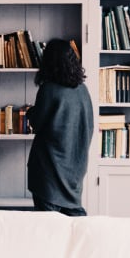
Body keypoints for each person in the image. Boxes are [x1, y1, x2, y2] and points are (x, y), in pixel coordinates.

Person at [26, 38, 94, 216]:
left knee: (49, 229)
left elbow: (37, 123)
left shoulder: (48, 89)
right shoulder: (83, 90)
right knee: (74, 223)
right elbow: (88, 126)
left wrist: (29, 112)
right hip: (75, 168)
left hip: (49, 170)